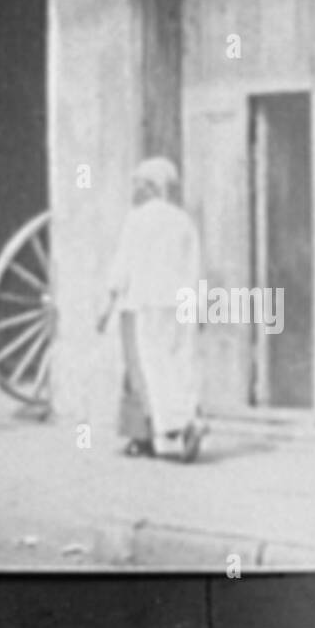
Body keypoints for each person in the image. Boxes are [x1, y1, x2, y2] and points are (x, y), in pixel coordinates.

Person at [96, 156, 205, 462]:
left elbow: (123, 265)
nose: (134, 189)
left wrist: (106, 306)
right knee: (179, 363)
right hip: (180, 302)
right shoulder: (184, 220)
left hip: (146, 301)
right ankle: (187, 419)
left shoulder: (137, 219)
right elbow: (195, 267)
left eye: (139, 184)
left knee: (153, 367)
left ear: (151, 187)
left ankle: (172, 430)